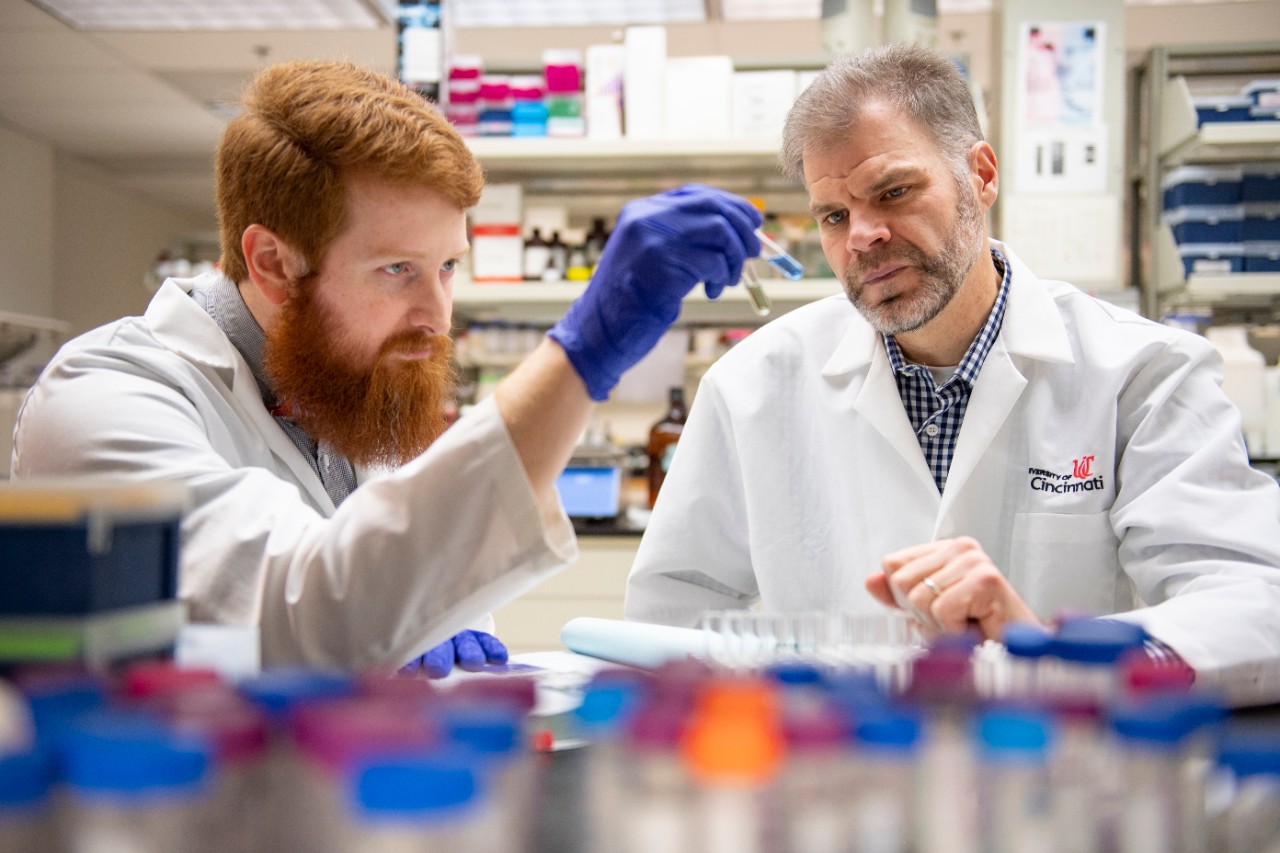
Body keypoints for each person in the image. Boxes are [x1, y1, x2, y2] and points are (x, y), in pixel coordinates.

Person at [11, 60, 762, 674]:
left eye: (447, 267)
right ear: (273, 263)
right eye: (398, 268)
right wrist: (583, 352)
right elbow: (299, 612)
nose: (437, 317)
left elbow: (398, 582)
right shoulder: (107, 395)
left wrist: (439, 617)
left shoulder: (345, 391)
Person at [624, 43, 1280, 707]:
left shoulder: (1143, 372)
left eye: (894, 191)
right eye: (834, 214)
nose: (863, 234)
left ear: (981, 174)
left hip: (1058, 773)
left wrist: (1055, 653)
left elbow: (1255, 601)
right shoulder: (751, 388)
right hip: (839, 782)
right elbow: (669, 614)